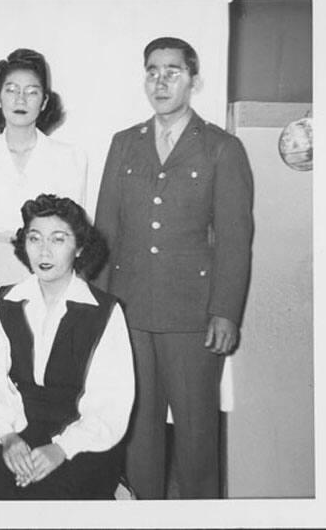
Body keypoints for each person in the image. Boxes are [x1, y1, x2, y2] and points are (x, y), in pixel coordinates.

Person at [94, 37, 254, 499]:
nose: (160, 81)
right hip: (130, 312)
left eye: (173, 71)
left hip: (193, 317)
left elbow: (234, 240)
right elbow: (106, 232)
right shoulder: (124, 144)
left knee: (196, 436)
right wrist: (100, 310)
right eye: (152, 71)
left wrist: (225, 311)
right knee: (138, 433)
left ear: (194, 80)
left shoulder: (222, 149)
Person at [0, 194, 134, 500]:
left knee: (50, 499)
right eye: (34, 238)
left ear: (79, 247)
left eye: (58, 239)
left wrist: (60, 450)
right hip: (21, 433)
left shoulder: (105, 311)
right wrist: (9, 436)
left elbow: (111, 405)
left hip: (84, 440)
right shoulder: (6, 302)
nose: (44, 251)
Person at [0, 48, 87, 336]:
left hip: (47, 277)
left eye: (32, 92)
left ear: (44, 102)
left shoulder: (69, 157)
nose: (21, 99)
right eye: (12, 90)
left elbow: (70, 232)